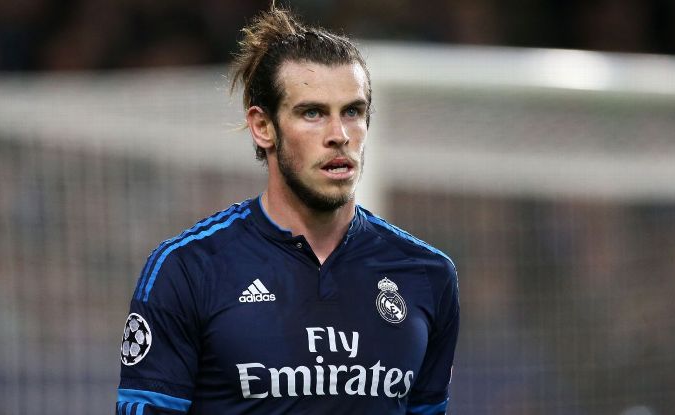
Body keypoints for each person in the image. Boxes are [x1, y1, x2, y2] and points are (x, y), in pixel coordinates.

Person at [115, 4, 459, 414]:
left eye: (352, 112)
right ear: (263, 127)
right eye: (312, 113)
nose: (339, 135)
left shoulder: (427, 274)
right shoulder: (189, 268)